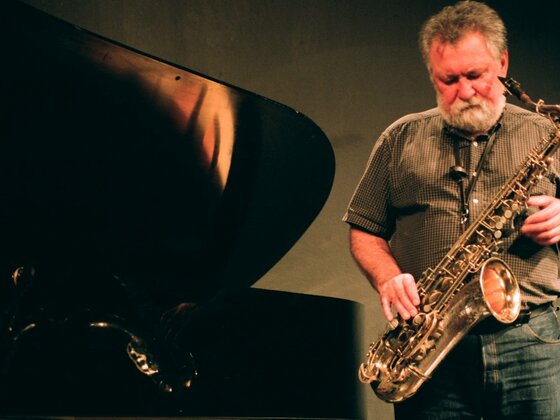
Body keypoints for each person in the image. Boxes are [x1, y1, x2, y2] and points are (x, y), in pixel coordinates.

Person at [343, 1, 560, 419]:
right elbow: (363, 228)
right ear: (432, 75)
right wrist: (388, 279)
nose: (464, 91)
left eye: (475, 75)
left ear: (502, 62)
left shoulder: (545, 133)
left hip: (532, 339)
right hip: (430, 347)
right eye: (449, 80)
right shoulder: (400, 139)